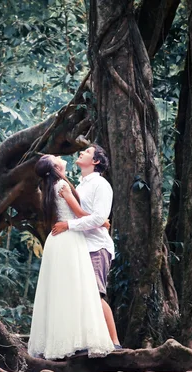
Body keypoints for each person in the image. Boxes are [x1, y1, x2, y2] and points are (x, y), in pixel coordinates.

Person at [27, 155, 114, 359]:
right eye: (55, 157)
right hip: (69, 239)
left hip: (57, 240)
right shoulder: (62, 186)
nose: (59, 156)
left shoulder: (48, 188)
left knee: (62, 291)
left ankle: (61, 341)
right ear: (55, 167)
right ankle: (82, 341)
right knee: (79, 289)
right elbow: (79, 213)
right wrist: (102, 222)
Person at [51, 145, 121, 349]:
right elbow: (83, 213)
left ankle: (114, 343)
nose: (81, 153)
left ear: (96, 161)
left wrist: (68, 225)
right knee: (82, 295)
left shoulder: (100, 184)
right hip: (80, 246)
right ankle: (88, 342)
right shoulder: (80, 186)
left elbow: (99, 217)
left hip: (96, 246)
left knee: (95, 295)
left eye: (87, 152)